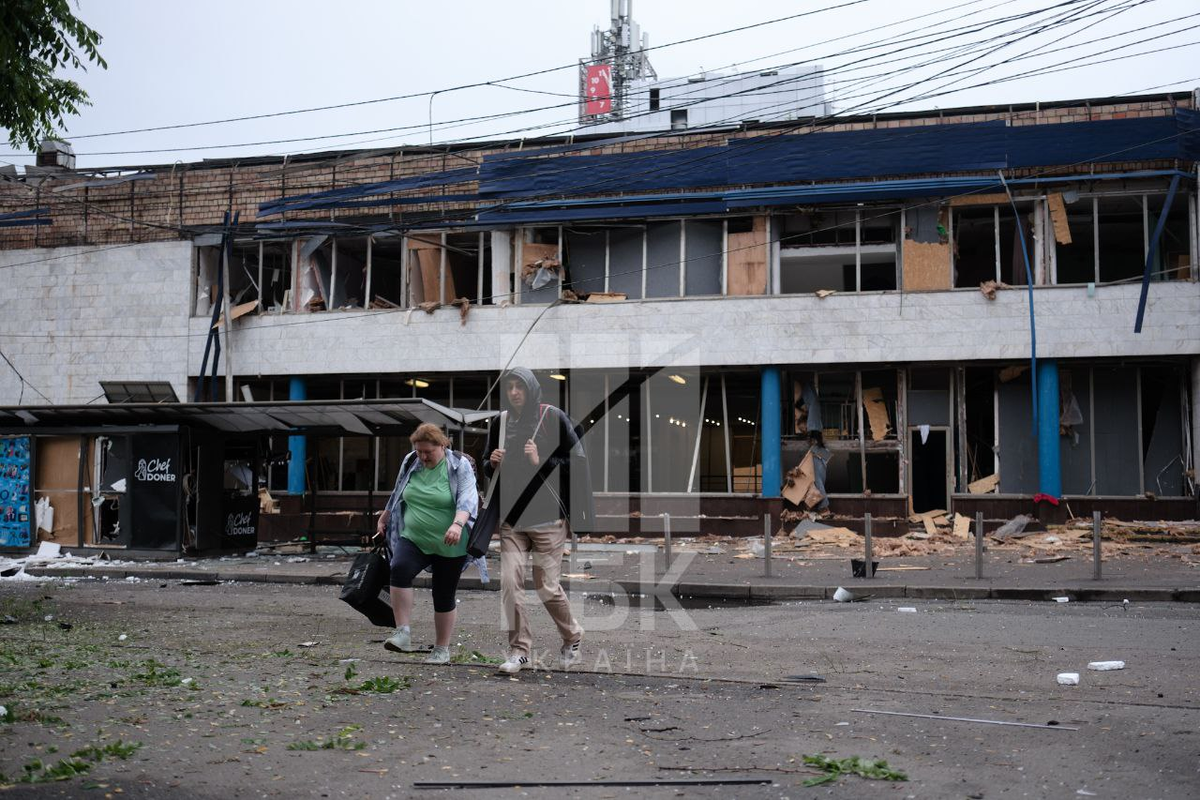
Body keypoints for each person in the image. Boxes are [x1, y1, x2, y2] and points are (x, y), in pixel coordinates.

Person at [484, 367, 593, 674]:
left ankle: (572, 635)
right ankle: (519, 650)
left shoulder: (552, 417)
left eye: (519, 386)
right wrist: (490, 463)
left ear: (531, 388)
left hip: (548, 519)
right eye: (510, 387)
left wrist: (541, 460)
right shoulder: (501, 422)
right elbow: (486, 465)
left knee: (546, 586)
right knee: (510, 583)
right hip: (512, 519)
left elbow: (577, 462)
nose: (514, 392)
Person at [376, 423, 478, 664]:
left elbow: (468, 498)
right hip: (414, 536)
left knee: (443, 594)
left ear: (442, 445)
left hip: (450, 542)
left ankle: (441, 649)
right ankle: (402, 633)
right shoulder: (411, 460)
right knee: (399, 569)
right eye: (419, 451)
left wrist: (457, 524)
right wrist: (386, 515)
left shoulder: (458, 465)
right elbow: (399, 489)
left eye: (428, 452)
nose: (423, 457)